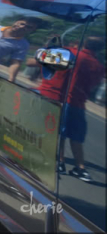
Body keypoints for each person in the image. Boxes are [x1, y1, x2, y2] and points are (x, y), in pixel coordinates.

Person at [37, 35, 104, 183]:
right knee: (75, 136)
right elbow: (92, 86)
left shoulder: (69, 53)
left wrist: (47, 46)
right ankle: (80, 168)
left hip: (55, 97)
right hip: (78, 103)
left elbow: (39, 58)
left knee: (56, 131)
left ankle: (59, 162)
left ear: (83, 43)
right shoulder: (99, 66)